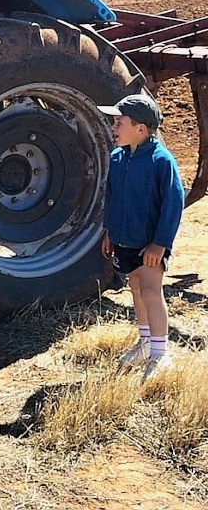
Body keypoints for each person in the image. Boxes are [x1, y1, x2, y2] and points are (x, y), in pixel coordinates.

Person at [99, 94, 185, 381]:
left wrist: (160, 243)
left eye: (119, 122)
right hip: (125, 238)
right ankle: (146, 342)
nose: (114, 126)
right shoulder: (117, 157)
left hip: (151, 244)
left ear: (141, 129)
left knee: (150, 291)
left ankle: (161, 354)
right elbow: (112, 198)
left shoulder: (162, 162)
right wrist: (110, 231)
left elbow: (173, 204)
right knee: (136, 289)